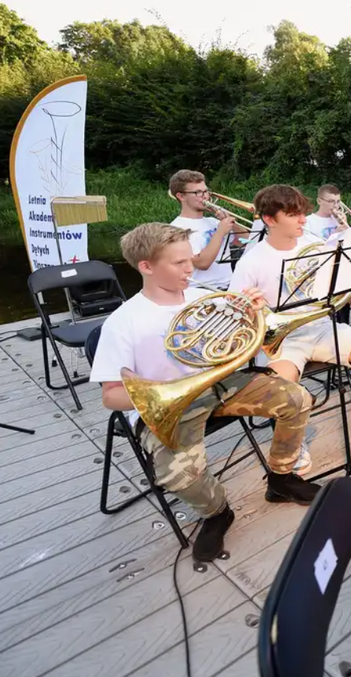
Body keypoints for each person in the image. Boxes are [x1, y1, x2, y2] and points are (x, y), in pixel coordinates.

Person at [90, 223, 319, 563]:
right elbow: (111, 396)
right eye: (179, 263)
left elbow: (247, 343)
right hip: (170, 407)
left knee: (297, 399)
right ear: (146, 267)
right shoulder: (124, 322)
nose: (190, 268)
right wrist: (167, 392)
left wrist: (252, 313)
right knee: (178, 475)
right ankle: (217, 512)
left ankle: (282, 478)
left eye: (189, 259)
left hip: (220, 385)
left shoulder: (204, 299)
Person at [230, 185, 351, 443]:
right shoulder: (251, 261)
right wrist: (252, 309)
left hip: (321, 327)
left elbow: (339, 284)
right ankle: (293, 447)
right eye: (293, 215)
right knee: (283, 382)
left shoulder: (315, 244)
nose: (303, 219)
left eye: (303, 213)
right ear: (269, 219)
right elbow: (238, 313)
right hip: (283, 341)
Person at [168, 169, 244, 290]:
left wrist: (230, 221)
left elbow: (246, 242)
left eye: (205, 191)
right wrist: (220, 232)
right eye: (197, 192)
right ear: (181, 196)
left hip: (229, 287)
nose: (205, 196)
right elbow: (202, 263)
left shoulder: (214, 222)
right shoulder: (176, 229)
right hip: (201, 291)